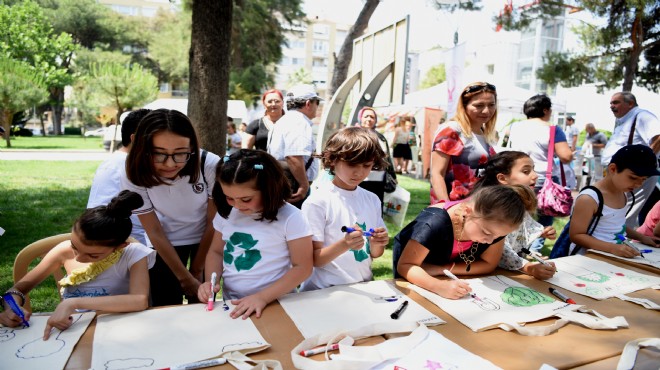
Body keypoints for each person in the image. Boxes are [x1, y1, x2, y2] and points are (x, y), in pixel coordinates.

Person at [0, 191, 155, 338]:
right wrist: (10, 307)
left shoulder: (133, 254)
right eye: (74, 246)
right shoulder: (63, 250)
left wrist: (74, 302)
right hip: (73, 330)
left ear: (121, 246)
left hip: (120, 328)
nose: (79, 258)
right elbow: (17, 290)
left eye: (93, 255)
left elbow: (139, 300)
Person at [197, 149, 313, 319]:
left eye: (246, 199)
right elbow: (216, 252)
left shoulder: (291, 218)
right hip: (234, 304)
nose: (236, 205)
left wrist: (262, 298)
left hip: (277, 304)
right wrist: (210, 282)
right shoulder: (227, 213)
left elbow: (303, 268)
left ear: (269, 189)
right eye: (229, 197)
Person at [121, 109, 220, 307]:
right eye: (159, 154)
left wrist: (196, 270)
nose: (170, 164)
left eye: (180, 154)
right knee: (164, 306)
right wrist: (184, 278)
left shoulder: (209, 164)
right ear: (142, 147)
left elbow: (213, 221)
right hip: (164, 243)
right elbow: (154, 230)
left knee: (203, 305)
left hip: (206, 239)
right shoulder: (133, 171)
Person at [393, 185, 533, 299]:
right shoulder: (433, 223)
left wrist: (442, 269)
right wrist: (438, 286)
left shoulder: (493, 227)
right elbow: (406, 266)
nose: (490, 241)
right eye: (486, 233)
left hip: (445, 278)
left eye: (498, 237)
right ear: (468, 211)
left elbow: (489, 264)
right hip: (414, 284)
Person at [300, 127, 389, 291]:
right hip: (323, 291)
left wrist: (378, 242)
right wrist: (344, 244)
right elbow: (313, 259)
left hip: (363, 286)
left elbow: (375, 253)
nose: (359, 172)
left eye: (366, 165)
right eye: (351, 164)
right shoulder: (318, 202)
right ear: (333, 160)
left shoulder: (372, 199)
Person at [471, 151, 557, 280]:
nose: (535, 176)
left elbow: (521, 229)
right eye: (526, 171)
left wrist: (541, 232)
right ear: (502, 178)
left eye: (533, 170)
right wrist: (528, 267)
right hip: (484, 273)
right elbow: (501, 249)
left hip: (503, 272)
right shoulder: (495, 207)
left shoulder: (517, 201)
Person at [567, 145, 660, 256]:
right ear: (613, 169)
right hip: (587, 259)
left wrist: (641, 237)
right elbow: (576, 235)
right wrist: (612, 248)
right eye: (633, 178)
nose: (638, 184)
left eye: (643, 180)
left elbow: (617, 226)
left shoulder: (623, 193)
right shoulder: (589, 198)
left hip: (612, 258)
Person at [508, 93, 573, 252]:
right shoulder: (552, 129)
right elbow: (565, 156)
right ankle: (534, 251)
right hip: (543, 179)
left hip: (517, 177)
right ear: (545, 110)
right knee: (544, 218)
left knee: (519, 215)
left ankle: (517, 248)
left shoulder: (515, 127)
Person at [88, 109, 151, 245]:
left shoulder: (126, 161)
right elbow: (98, 215)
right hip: (130, 245)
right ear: (135, 138)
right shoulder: (121, 165)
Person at [430, 82, 498, 204]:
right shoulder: (452, 130)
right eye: (479, 105)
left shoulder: (486, 133)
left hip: (480, 207)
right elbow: (436, 174)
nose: (486, 111)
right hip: (455, 208)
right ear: (464, 106)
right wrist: (446, 208)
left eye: (491, 105)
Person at [601, 92, 660, 228]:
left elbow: (658, 138)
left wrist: (641, 165)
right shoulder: (624, 120)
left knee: (624, 213)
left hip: (633, 174)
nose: (612, 106)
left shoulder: (642, 116)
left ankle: (620, 244)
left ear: (630, 103)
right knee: (612, 211)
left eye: (616, 102)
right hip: (620, 173)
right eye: (611, 103)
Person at [268, 84, 321, 208]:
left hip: (283, 181)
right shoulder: (299, 122)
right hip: (294, 185)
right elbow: (293, 156)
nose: (317, 107)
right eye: (317, 102)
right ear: (308, 103)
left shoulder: (285, 120)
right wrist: (303, 185)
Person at [356, 107, 397, 202]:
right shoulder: (354, 135)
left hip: (378, 179)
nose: (369, 119)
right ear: (360, 118)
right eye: (366, 116)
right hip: (358, 179)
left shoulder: (380, 137)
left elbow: (387, 158)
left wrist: (393, 175)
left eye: (372, 117)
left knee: (376, 207)